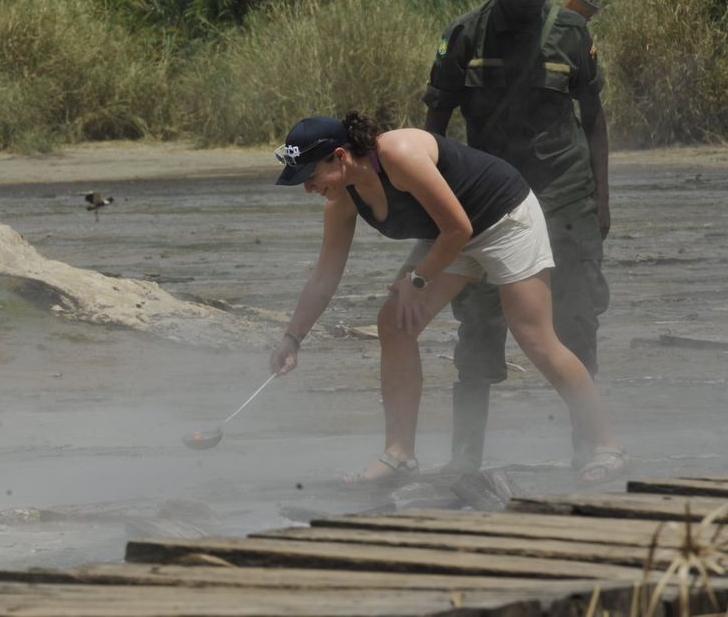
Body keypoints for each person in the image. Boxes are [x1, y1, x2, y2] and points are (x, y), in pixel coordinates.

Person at [267, 112, 623, 484]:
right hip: (452, 238)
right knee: (394, 323)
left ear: (339, 156)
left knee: (535, 337)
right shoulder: (342, 199)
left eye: (310, 177)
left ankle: (608, 445)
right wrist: (292, 339)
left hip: (504, 219)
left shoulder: (399, 154)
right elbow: (325, 276)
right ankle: (399, 455)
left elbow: (458, 228)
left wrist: (417, 280)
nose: (308, 188)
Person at [423, 0, 611, 475]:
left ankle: (588, 450)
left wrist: (601, 199)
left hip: (566, 196)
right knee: (478, 327)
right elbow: (435, 127)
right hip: (489, 203)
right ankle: (464, 462)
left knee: (576, 323)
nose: (536, 0)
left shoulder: (573, 32)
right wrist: (434, 209)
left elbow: (594, 119)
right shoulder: (464, 35)